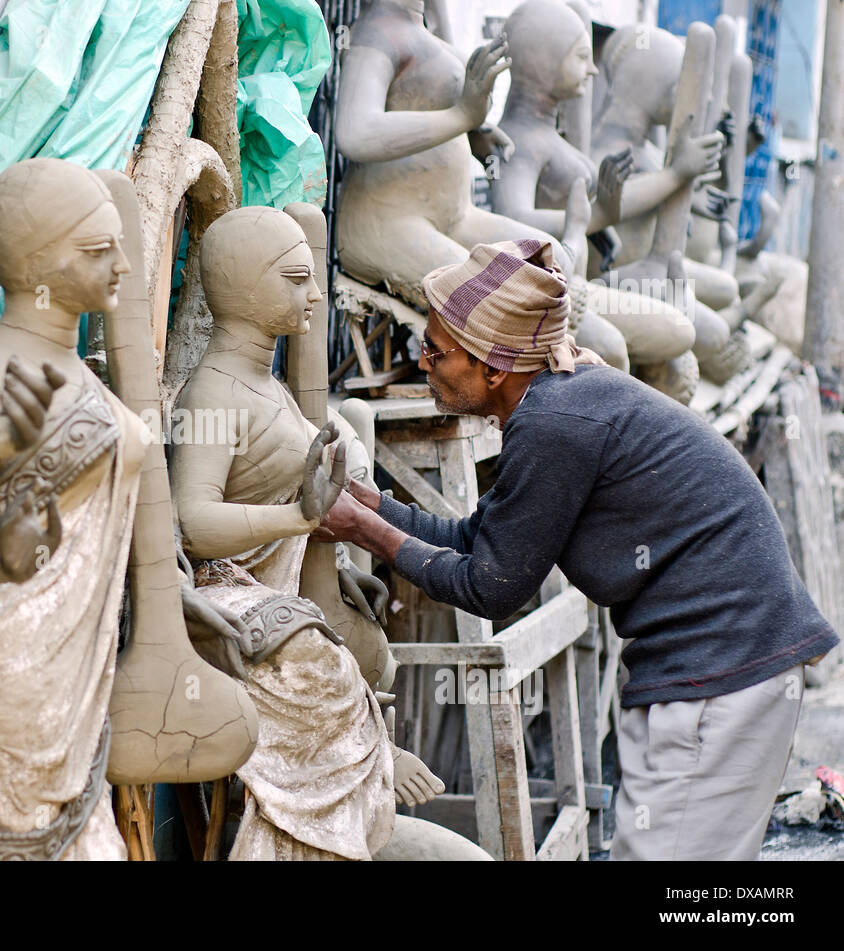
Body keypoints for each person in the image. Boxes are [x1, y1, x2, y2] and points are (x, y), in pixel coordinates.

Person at [318, 238, 840, 861]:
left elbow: (492, 586)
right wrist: (377, 509)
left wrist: (360, 530)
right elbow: (478, 540)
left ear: (493, 367)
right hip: (705, 665)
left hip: (722, 670)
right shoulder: (555, 402)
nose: (422, 361)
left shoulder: (556, 423)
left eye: (435, 349)